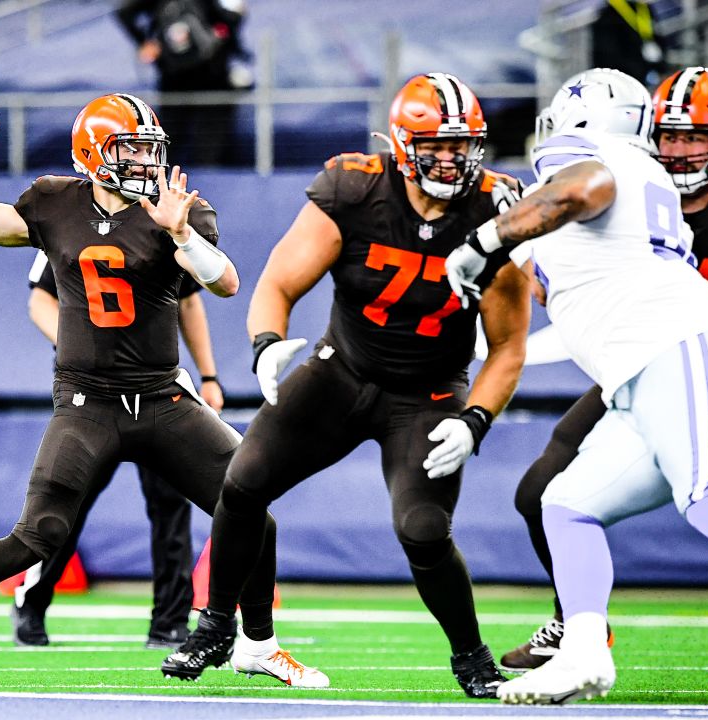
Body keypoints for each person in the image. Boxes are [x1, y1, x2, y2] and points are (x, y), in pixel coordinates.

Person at [0, 93, 304, 685]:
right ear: (93, 154)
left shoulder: (178, 209)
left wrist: (180, 234)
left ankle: (257, 644)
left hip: (163, 400)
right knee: (39, 535)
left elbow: (227, 282)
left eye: (150, 150)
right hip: (86, 401)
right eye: (130, 149)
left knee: (252, 507)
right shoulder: (57, 201)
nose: (145, 163)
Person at [160, 73, 531, 697]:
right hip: (342, 372)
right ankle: (217, 624)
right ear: (400, 144)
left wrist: (477, 420)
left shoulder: (494, 213)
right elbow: (276, 284)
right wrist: (266, 345)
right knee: (242, 482)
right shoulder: (356, 188)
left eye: (460, 145)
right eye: (435, 145)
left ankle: (472, 656)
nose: (449, 159)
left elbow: (509, 346)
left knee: (423, 530)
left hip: (429, 393)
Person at [442, 67, 708, 705]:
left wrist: (486, 239)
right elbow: (569, 279)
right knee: (567, 503)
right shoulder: (647, 179)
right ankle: (581, 652)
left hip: (682, 347)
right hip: (645, 370)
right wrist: (514, 243)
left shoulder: (599, 161)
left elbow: (587, 186)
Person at [12, 250, 225, 649]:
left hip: (157, 392)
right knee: (65, 505)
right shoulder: (70, 213)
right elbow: (40, 298)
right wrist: (84, 345)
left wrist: (209, 374)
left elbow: (189, 299)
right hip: (92, 393)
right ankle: (32, 600)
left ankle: (170, 621)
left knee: (171, 509)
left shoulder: (165, 222)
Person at [116, 0, 249, 166]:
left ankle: (176, 178)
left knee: (186, 141)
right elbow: (230, 19)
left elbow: (124, 12)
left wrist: (144, 42)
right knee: (188, 141)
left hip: (196, 74)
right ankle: (172, 181)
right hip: (199, 74)